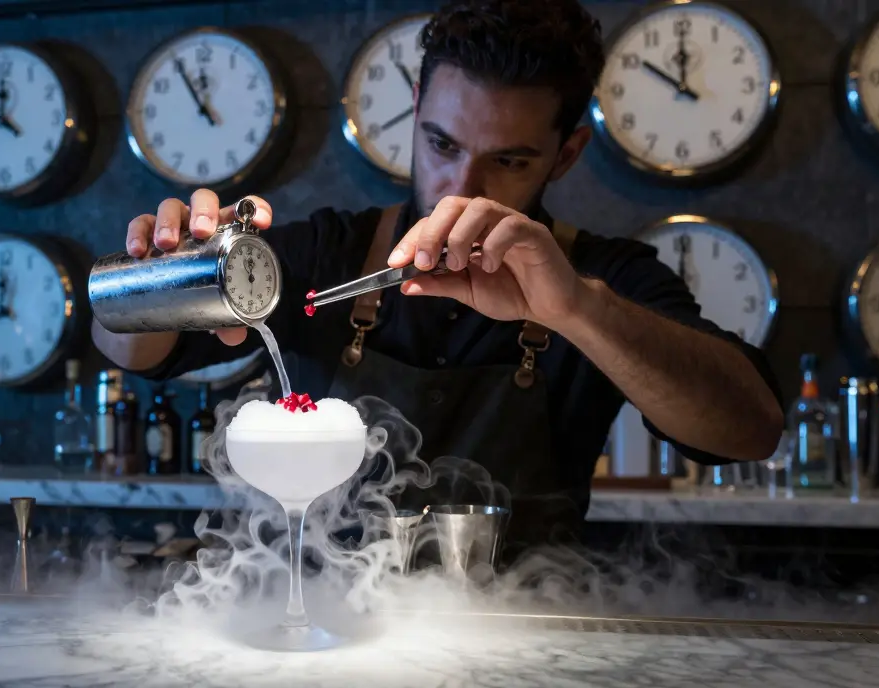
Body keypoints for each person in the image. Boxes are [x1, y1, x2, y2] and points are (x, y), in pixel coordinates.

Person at [93, 0, 784, 557]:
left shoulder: (606, 278)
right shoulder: (329, 251)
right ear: (417, 106)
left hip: (531, 648)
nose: (462, 189)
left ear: (566, 154)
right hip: (322, 636)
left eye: (509, 161)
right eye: (442, 145)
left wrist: (579, 310)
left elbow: (750, 430)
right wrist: (155, 276)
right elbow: (136, 351)